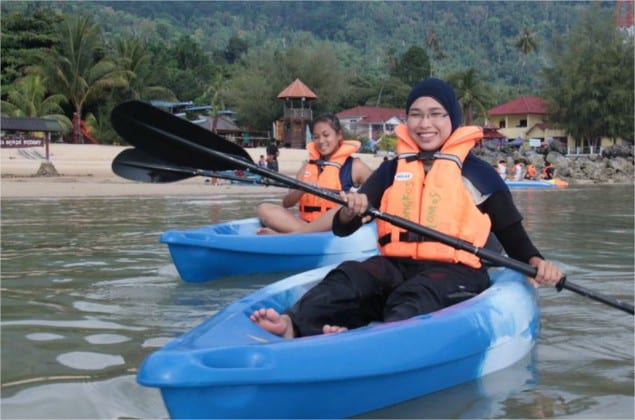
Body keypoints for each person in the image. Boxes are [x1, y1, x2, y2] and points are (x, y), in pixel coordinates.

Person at [251, 78, 564, 338]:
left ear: (452, 120)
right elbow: (344, 227)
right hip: (396, 266)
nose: (425, 124)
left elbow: (513, 237)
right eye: (416, 114)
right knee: (349, 277)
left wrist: (538, 262)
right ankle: (295, 323)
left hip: (456, 272)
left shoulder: (478, 173)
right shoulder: (392, 169)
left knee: (413, 298)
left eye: (436, 114)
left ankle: (372, 340)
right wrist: (351, 209)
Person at [256, 114, 373, 234]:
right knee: (264, 208)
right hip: (306, 223)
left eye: (326, 135)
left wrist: (356, 202)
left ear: (339, 135)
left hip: (335, 226)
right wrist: (302, 189)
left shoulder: (356, 166)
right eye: (316, 137)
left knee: (341, 209)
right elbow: (287, 203)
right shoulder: (307, 166)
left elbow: (379, 194)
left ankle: (285, 236)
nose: (321, 141)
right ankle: (301, 234)